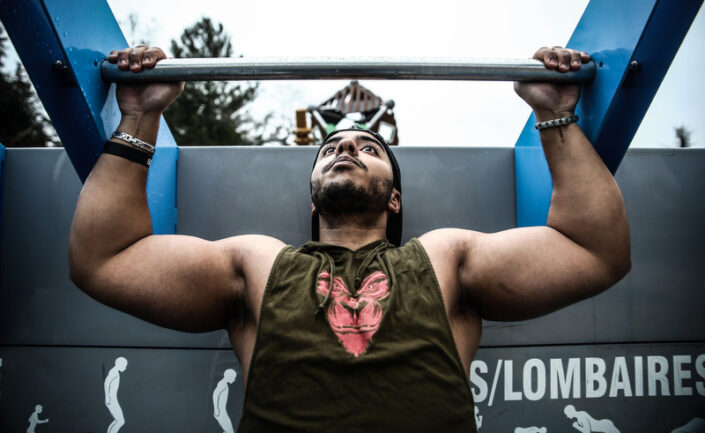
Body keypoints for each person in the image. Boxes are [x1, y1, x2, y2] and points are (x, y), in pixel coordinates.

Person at [69, 45, 630, 432]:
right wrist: (139, 117)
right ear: (313, 199)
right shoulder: (258, 264)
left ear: (394, 198)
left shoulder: (443, 258)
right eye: (331, 151)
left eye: (369, 149)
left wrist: (555, 114)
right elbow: (104, 260)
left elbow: (594, 251)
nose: (345, 148)